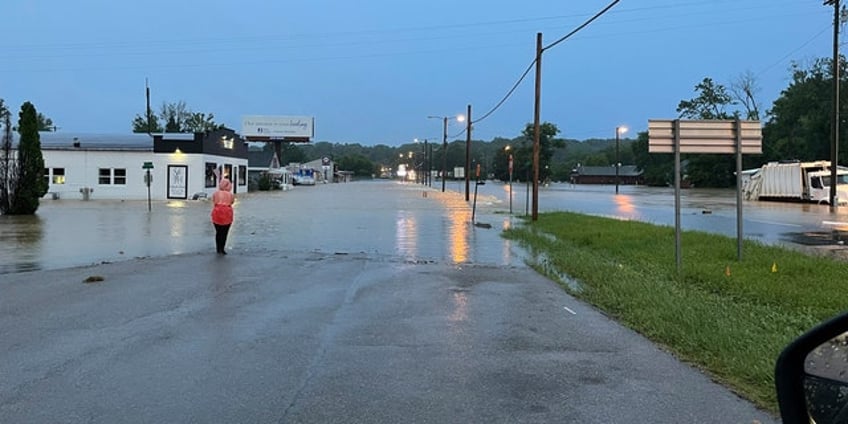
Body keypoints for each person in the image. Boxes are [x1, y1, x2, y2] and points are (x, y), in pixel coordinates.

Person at [210, 178, 235, 255]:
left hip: (216, 213)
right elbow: (232, 202)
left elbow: (214, 201)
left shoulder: (215, 193)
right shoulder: (230, 194)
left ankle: (218, 249)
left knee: (218, 232)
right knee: (224, 232)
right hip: (227, 214)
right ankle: (222, 249)